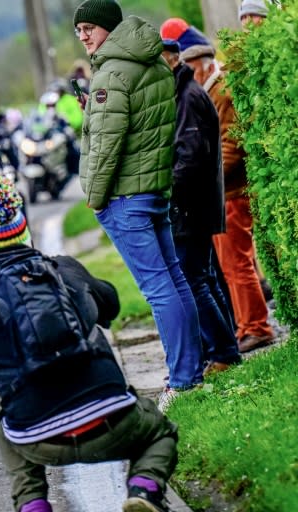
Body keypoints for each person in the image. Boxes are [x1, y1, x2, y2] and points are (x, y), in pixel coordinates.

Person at [0, 176, 178, 512]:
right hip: (111, 422)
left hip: (38, 440)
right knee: (160, 432)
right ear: (27, 237)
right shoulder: (62, 271)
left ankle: (32, 503)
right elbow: (111, 305)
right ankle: (144, 487)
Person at [74, 0, 204, 411]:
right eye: (79, 29)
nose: (83, 36)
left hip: (124, 196)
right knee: (175, 282)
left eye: (90, 27)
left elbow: (108, 144)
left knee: (158, 289)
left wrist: (95, 198)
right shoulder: (151, 62)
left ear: (109, 29)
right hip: (153, 190)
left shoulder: (111, 72)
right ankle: (192, 375)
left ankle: (182, 382)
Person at [179, 35, 275, 354]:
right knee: (231, 265)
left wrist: (208, 181)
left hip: (231, 193)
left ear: (205, 68)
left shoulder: (221, 92)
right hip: (225, 193)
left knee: (238, 264)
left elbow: (232, 145)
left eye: (190, 70)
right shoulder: (210, 91)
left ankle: (257, 326)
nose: (187, 77)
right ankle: (247, 325)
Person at [160, 40, 242, 376]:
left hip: (192, 205)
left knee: (196, 279)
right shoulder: (184, 93)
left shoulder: (188, 97)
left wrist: (167, 186)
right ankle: (224, 349)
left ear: (174, 60)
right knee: (205, 278)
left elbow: (191, 156)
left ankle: (223, 352)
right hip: (197, 203)